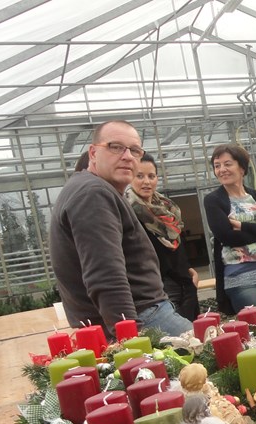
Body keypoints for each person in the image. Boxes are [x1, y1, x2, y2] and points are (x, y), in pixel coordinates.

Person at [49, 120, 192, 338]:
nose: (127, 156)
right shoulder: (93, 193)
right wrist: (130, 340)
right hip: (144, 317)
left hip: (133, 316)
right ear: (93, 153)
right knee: (220, 356)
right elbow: (105, 274)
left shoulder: (90, 188)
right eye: (115, 147)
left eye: (135, 150)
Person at [204, 144, 256, 314]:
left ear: (242, 168)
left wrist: (243, 226)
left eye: (228, 164)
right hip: (241, 276)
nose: (222, 170)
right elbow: (228, 237)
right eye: (217, 166)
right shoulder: (213, 200)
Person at [126, 153, 200, 321]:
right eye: (140, 176)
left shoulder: (168, 209)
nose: (146, 181)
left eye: (151, 176)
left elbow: (179, 247)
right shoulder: (127, 212)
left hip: (184, 284)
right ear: (130, 177)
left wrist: (188, 272)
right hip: (156, 290)